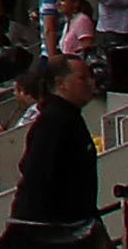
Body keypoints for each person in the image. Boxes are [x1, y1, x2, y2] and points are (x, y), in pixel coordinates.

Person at [10, 53, 100, 229]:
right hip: (50, 234)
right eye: (82, 78)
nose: (91, 83)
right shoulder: (54, 122)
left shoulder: (70, 117)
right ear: (61, 84)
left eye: (91, 77)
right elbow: (37, 177)